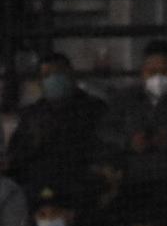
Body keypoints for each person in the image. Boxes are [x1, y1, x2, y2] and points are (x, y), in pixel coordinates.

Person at [8, 52, 106, 193]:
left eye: (59, 73)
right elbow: (17, 152)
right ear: (40, 82)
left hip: (80, 184)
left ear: (71, 75)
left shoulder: (94, 108)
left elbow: (102, 146)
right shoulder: (32, 113)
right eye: (47, 75)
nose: (53, 79)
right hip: (38, 184)